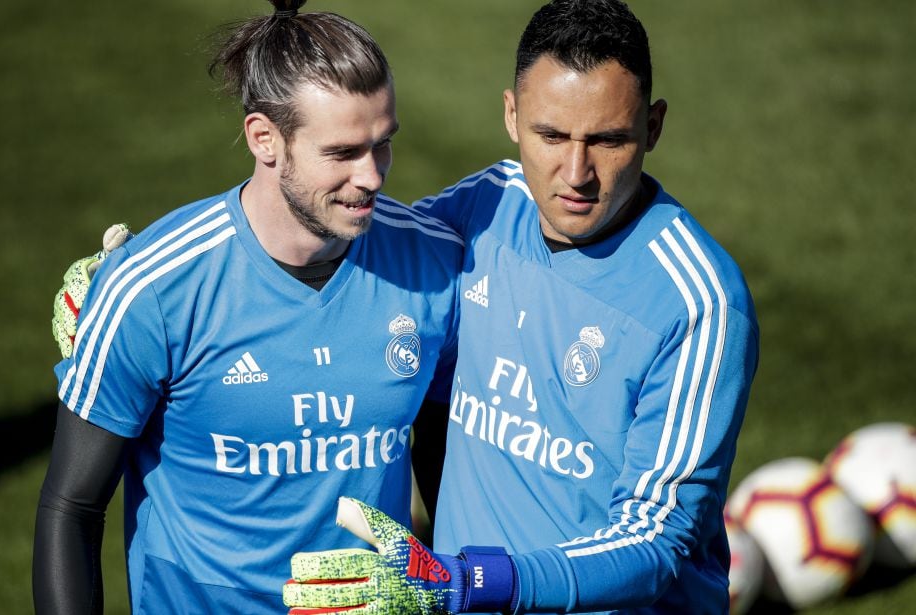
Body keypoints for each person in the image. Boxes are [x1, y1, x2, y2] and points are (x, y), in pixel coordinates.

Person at [282, 1, 759, 613]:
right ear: (511, 115)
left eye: (609, 140)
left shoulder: (699, 302)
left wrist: (477, 582)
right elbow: (349, 252)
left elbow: (656, 540)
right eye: (551, 135)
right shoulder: (483, 208)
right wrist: (170, 280)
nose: (577, 172)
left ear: (655, 125)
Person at [32, 1, 462, 613]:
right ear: (265, 139)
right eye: (342, 153)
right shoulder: (155, 289)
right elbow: (71, 506)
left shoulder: (431, 263)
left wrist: (449, 584)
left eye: (383, 145)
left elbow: (444, 453)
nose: (372, 177)